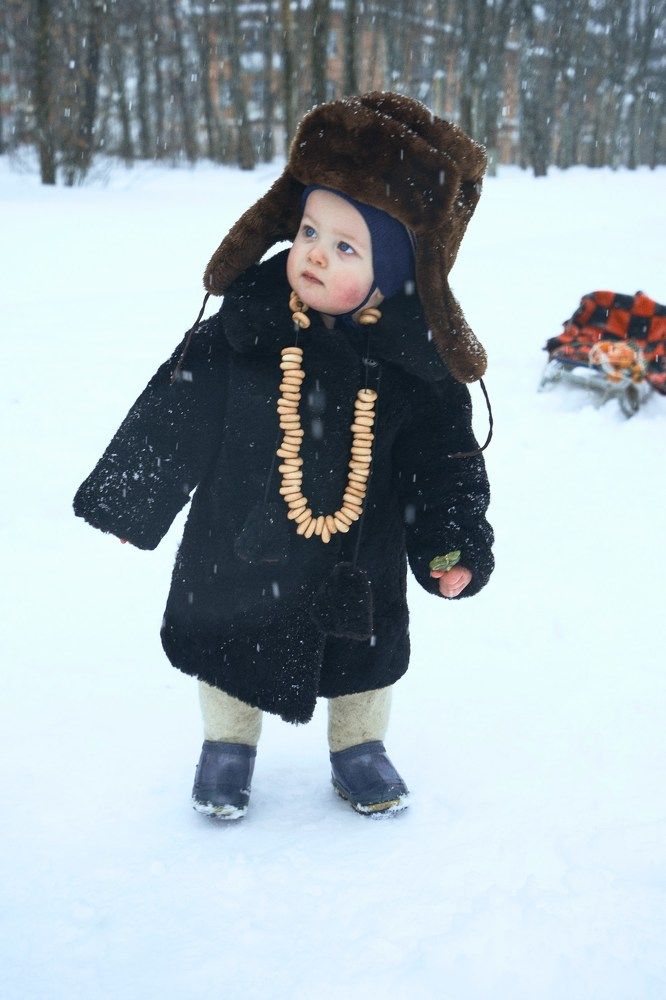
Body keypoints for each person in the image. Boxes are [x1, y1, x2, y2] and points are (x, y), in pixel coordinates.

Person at [73, 91, 494, 820]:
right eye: (308, 231)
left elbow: (447, 466)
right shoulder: (245, 328)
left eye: (346, 247)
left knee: (365, 655)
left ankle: (359, 746)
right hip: (238, 539)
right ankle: (226, 746)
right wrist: (134, 496)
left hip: (358, 553)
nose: (315, 254)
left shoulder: (415, 370)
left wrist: (451, 543)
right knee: (226, 643)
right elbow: (175, 411)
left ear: (395, 273)